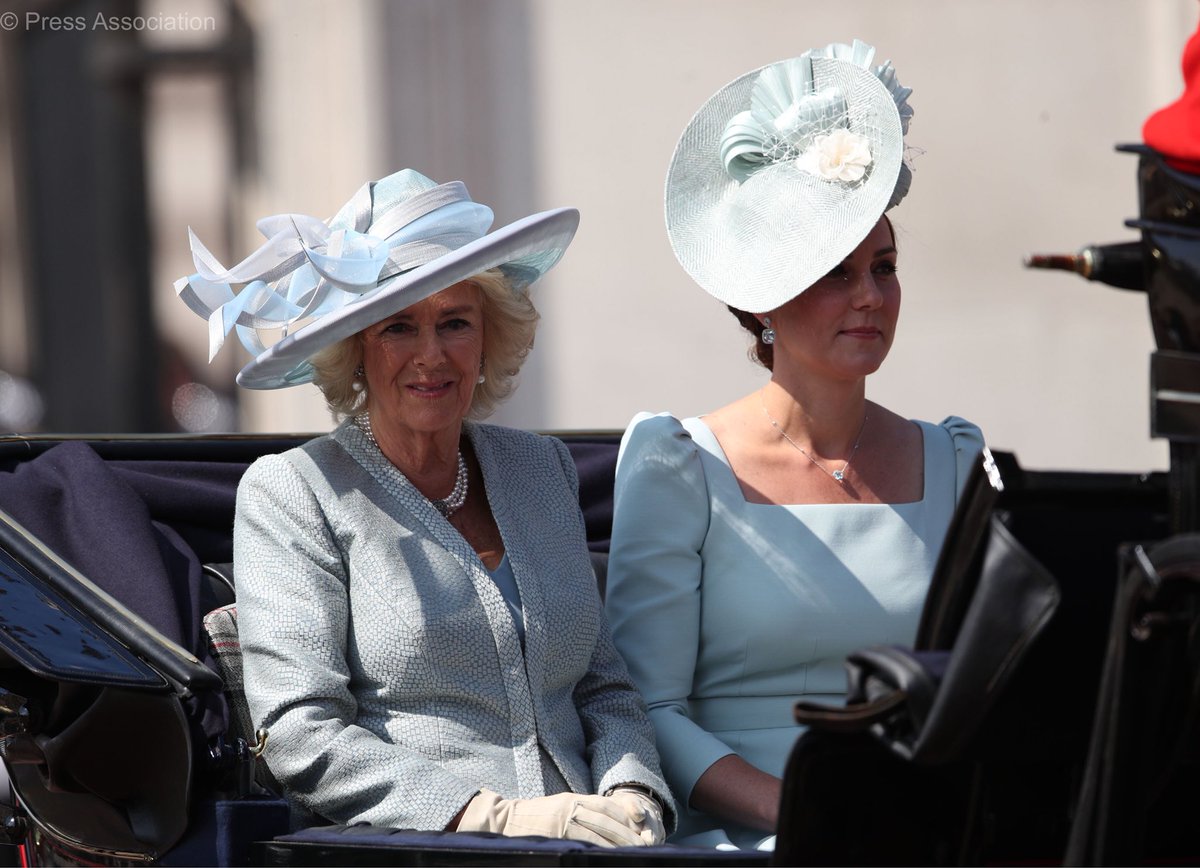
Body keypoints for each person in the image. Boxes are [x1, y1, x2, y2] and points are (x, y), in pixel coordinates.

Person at [175, 168, 673, 845]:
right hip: (417, 849)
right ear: (355, 351)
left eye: (455, 322)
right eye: (399, 327)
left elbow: (603, 690)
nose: (431, 355)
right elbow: (298, 732)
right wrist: (492, 818)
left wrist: (632, 792)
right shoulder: (295, 491)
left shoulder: (542, 468)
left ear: (488, 336)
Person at [604, 40, 986, 850]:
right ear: (765, 300)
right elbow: (647, 708)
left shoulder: (955, 459)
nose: (871, 298)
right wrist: (801, 816)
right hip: (744, 840)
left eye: (884, 267)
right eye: (835, 274)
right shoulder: (681, 463)